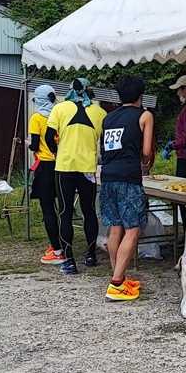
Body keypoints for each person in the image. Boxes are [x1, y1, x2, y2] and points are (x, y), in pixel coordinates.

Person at [98, 75, 155, 302]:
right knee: (132, 229)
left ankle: (118, 277)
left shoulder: (108, 118)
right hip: (129, 177)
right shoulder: (144, 115)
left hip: (108, 176)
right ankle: (116, 284)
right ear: (141, 95)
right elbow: (146, 151)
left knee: (115, 227)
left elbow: (105, 148)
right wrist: (145, 161)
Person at [47, 77, 107, 276]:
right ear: (90, 91)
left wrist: (57, 152)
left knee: (65, 212)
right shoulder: (100, 112)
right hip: (88, 168)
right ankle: (91, 255)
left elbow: (48, 136)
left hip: (64, 166)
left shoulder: (59, 108)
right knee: (89, 211)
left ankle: (69, 260)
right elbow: (104, 143)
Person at [28, 84, 64, 266]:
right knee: (64, 208)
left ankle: (57, 250)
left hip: (44, 167)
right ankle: (63, 244)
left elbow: (35, 145)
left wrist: (29, 144)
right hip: (62, 165)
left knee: (48, 208)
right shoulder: (59, 115)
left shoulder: (36, 118)